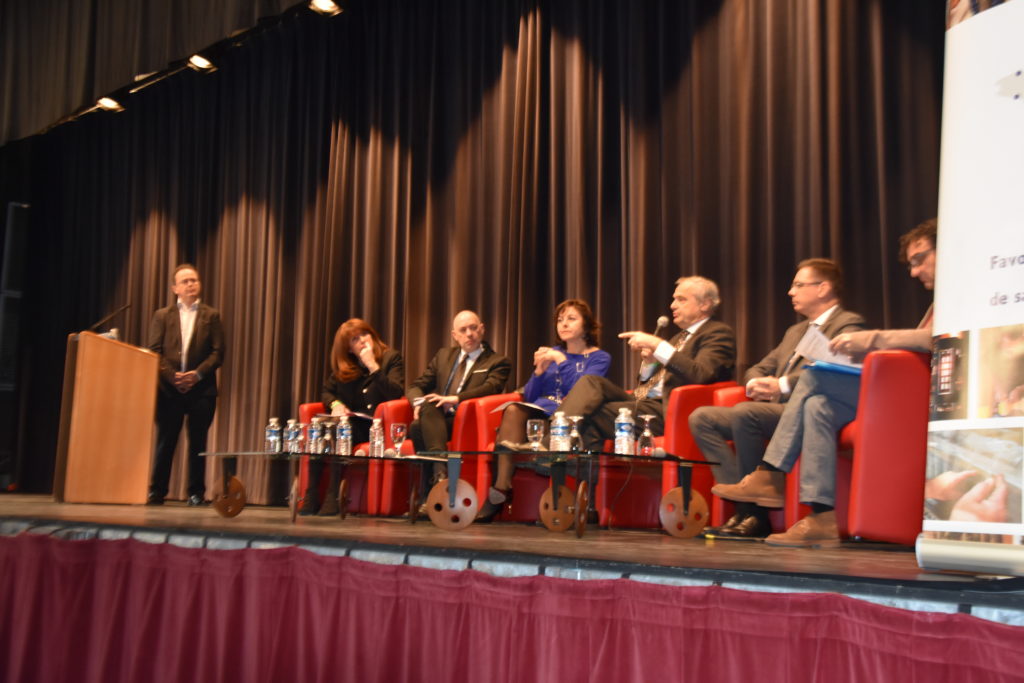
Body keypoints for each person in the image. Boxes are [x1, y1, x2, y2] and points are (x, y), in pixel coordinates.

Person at [712, 218, 937, 548]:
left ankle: (771, 472)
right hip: (885, 391)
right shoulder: (794, 331)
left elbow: (934, 339)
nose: (914, 272)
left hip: (912, 400)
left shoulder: (959, 296)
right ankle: (821, 516)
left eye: (920, 260)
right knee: (817, 406)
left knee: (814, 376)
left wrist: (869, 340)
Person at [689, 259, 865, 539]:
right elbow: (759, 367)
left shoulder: (848, 325)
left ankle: (757, 511)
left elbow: (836, 372)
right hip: (777, 410)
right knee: (702, 418)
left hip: (808, 407)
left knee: (747, 413)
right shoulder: (794, 332)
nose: (790, 292)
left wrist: (781, 386)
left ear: (823, 288)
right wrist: (757, 382)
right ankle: (743, 504)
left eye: (798, 285)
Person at [555, 276, 736, 452]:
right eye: (674, 299)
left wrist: (657, 344)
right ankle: (575, 468)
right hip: (645, 401)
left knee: (592, 415)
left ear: (704, 304)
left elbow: (702, 374)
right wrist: (649, 364)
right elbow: (646, 384)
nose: (672, 305)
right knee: (591, 382)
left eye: (681, 299)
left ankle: (554, 449)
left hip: (671, 411)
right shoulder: (677, 339)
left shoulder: (717, 333)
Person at [477, 299, 612, 522]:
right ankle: (501, 488)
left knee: (532, 422)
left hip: (570, 418)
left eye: (571, 318)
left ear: (587, 325)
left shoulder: (599, 358)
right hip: (540, 413)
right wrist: (539, 371)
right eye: (560, 320)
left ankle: (510, 490)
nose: (564, 324)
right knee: (513, 410)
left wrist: (561, 360)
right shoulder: (551, 354)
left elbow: (583, 389)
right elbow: (530, 396)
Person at [299, 319, 405, 516]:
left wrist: (373, 366)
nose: (363, 341)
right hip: (351, 424)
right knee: (323, 430)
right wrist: (336, 404)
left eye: (365, 335)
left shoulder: (391, 358)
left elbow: (396, 393)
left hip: (375, 428)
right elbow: (327, 392)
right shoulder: (346, 368)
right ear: (348, 348)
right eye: (355, 339)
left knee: (339, 431)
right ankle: (311, 495)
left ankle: (333, 496)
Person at [407, 310, 512, 495]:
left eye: (473, 328)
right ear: (454, 336)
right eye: (463, 330)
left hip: (469, 421)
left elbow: (491, 388)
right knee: (425, 410)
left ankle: (431, 492)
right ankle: (439, 476)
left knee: (418, 426)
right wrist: (417, 403)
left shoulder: (497, 362)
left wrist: (456, 399)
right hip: (440, 420)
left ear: (482, 329)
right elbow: (417, 386)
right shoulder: (443, 356)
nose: (469, 334)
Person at [147, 264, 225, 506]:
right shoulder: (162, 315)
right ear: (175, 288)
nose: (192, 284)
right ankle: (156, 491)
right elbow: (154, 350)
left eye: (195, 280)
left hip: (201, 391)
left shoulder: (211, 315)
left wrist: (196, 375)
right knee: (166, 440)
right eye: (186, 281)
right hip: (168, 390)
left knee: (198, 442)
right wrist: (173, 377)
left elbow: (218, 352)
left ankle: (195, 493)